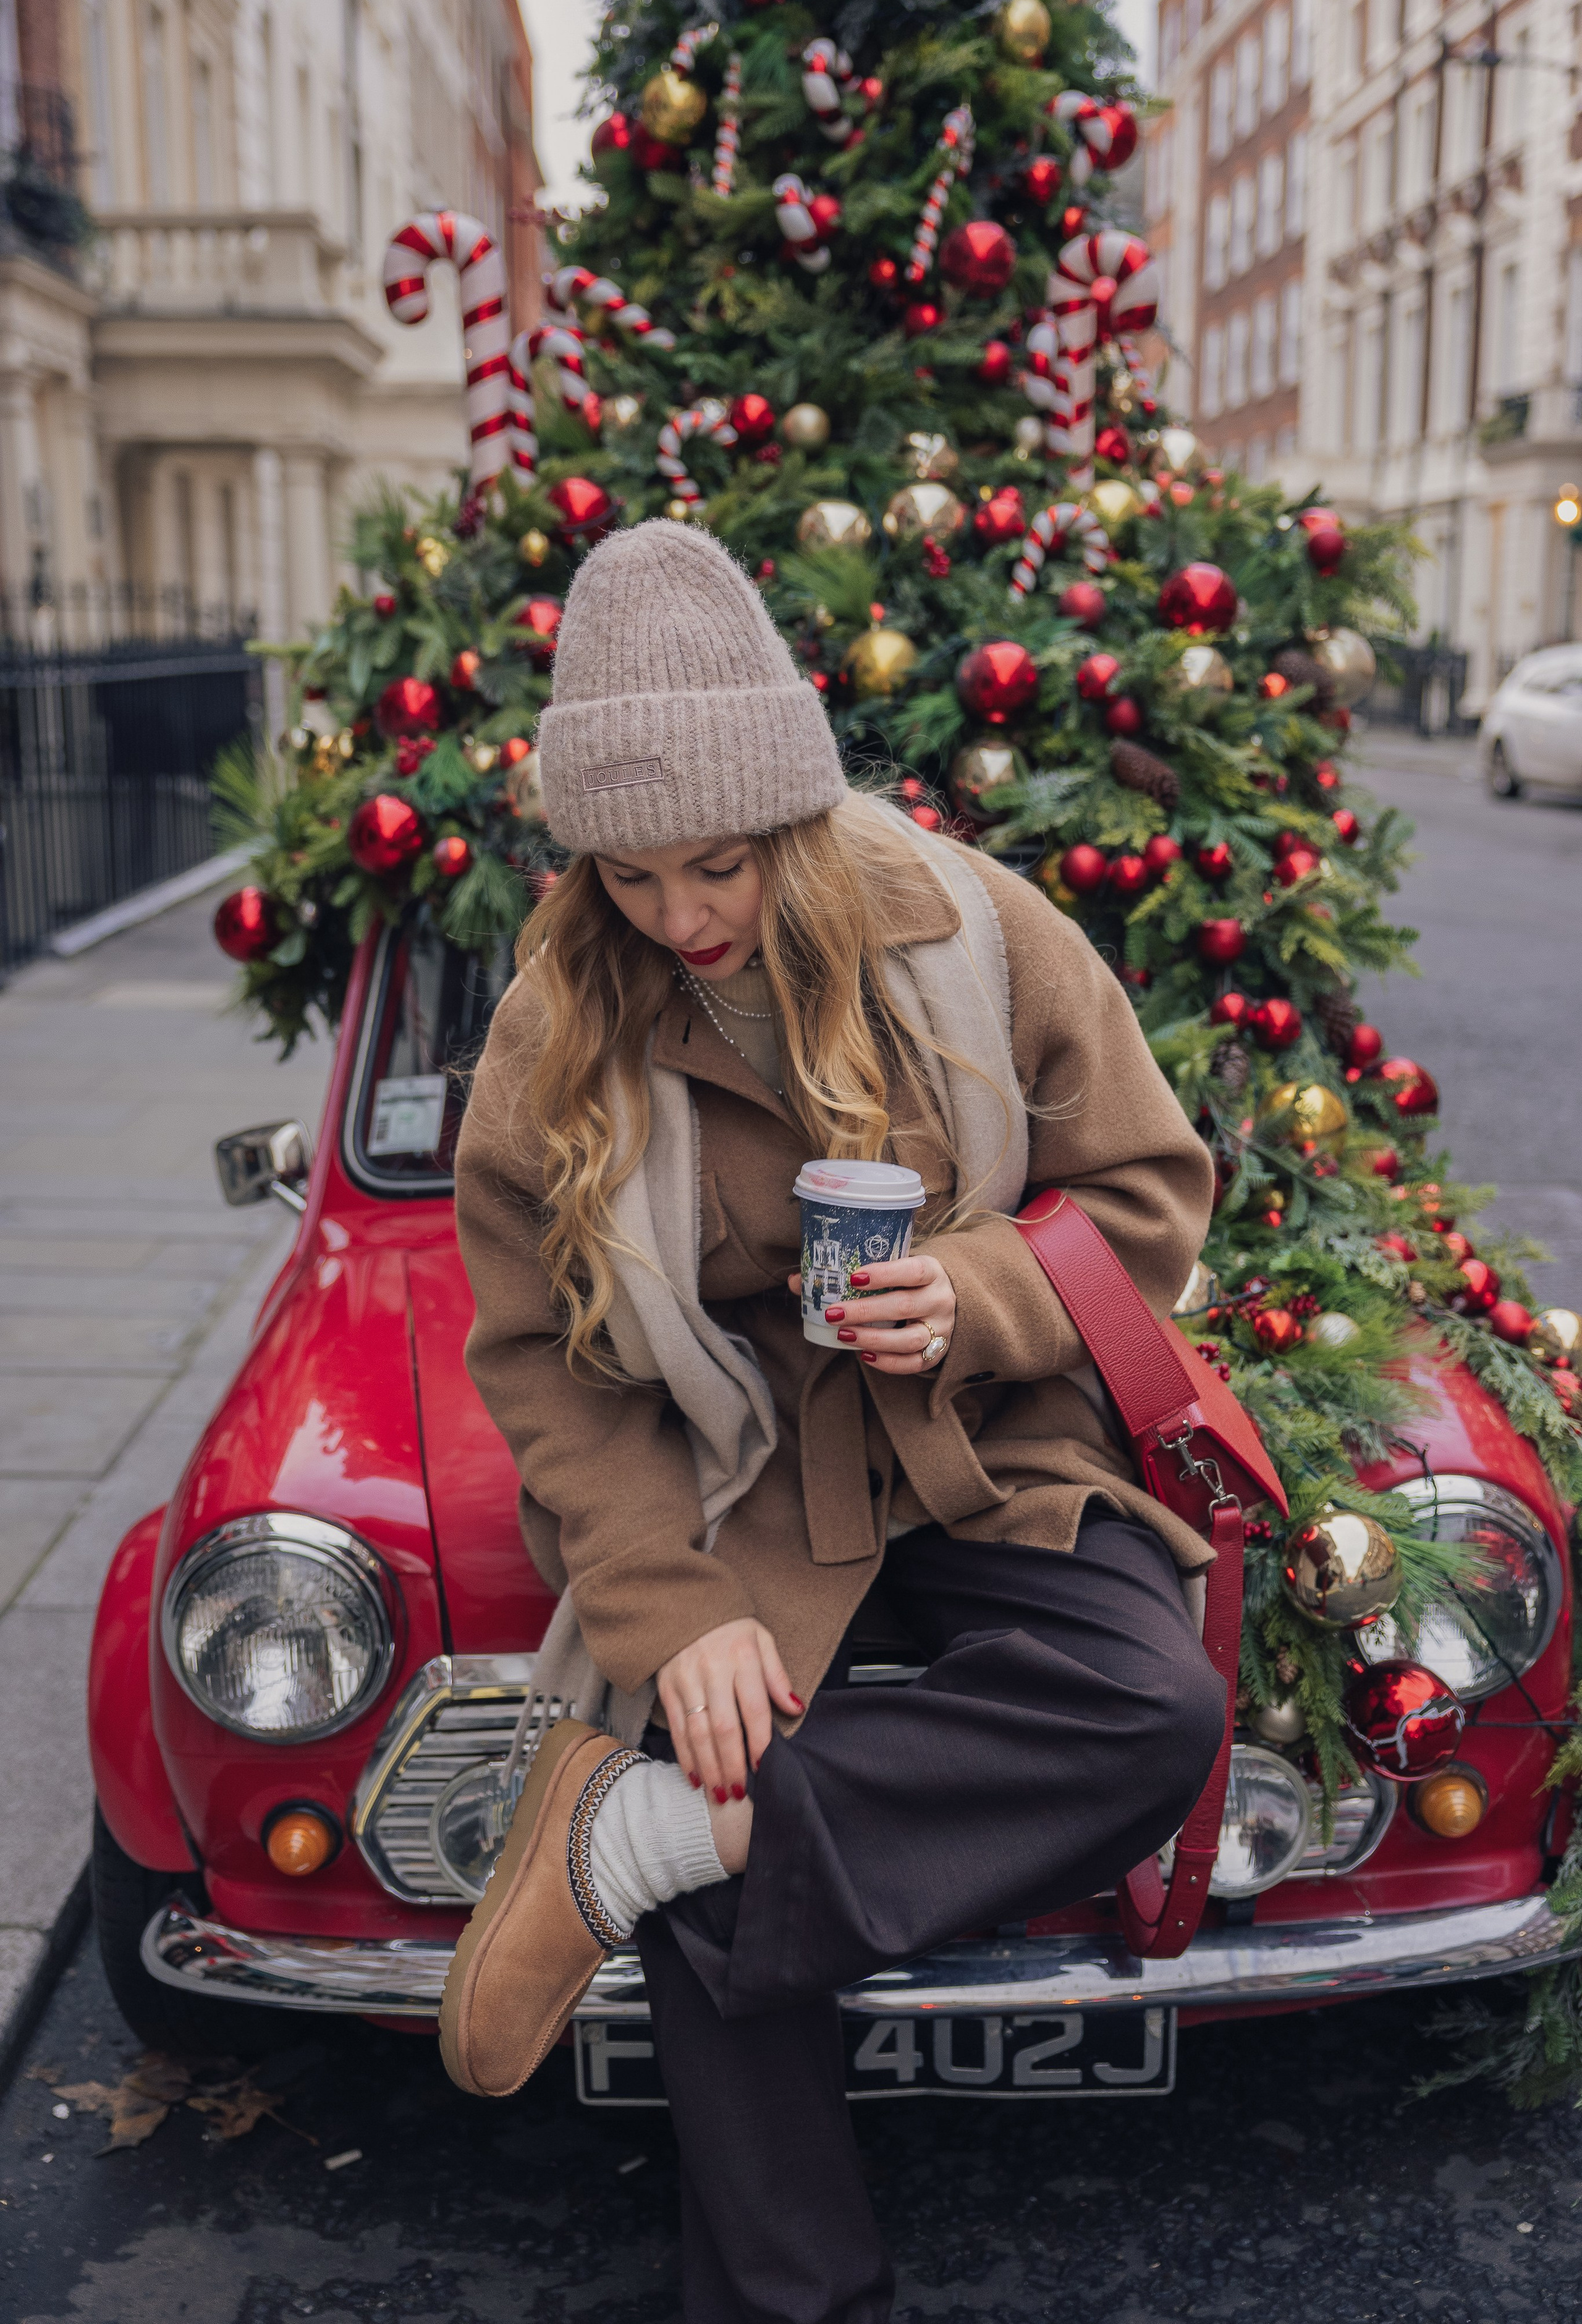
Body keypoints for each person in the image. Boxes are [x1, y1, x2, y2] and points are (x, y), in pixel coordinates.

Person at [446, 520, 1224, 2323]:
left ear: (794, 814)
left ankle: (624, 1845)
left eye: (716, 864)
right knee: (730, 1767)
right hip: (740, 1490)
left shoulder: (975, 926)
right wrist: (669, 1609)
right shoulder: (551, 1030)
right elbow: (546, 1365)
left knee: (1151, 1703)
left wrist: (982, 1290)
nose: (680, 915)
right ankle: (802, 2298)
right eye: (628, 878)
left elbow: (1151, 1194)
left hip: (992, 1446)